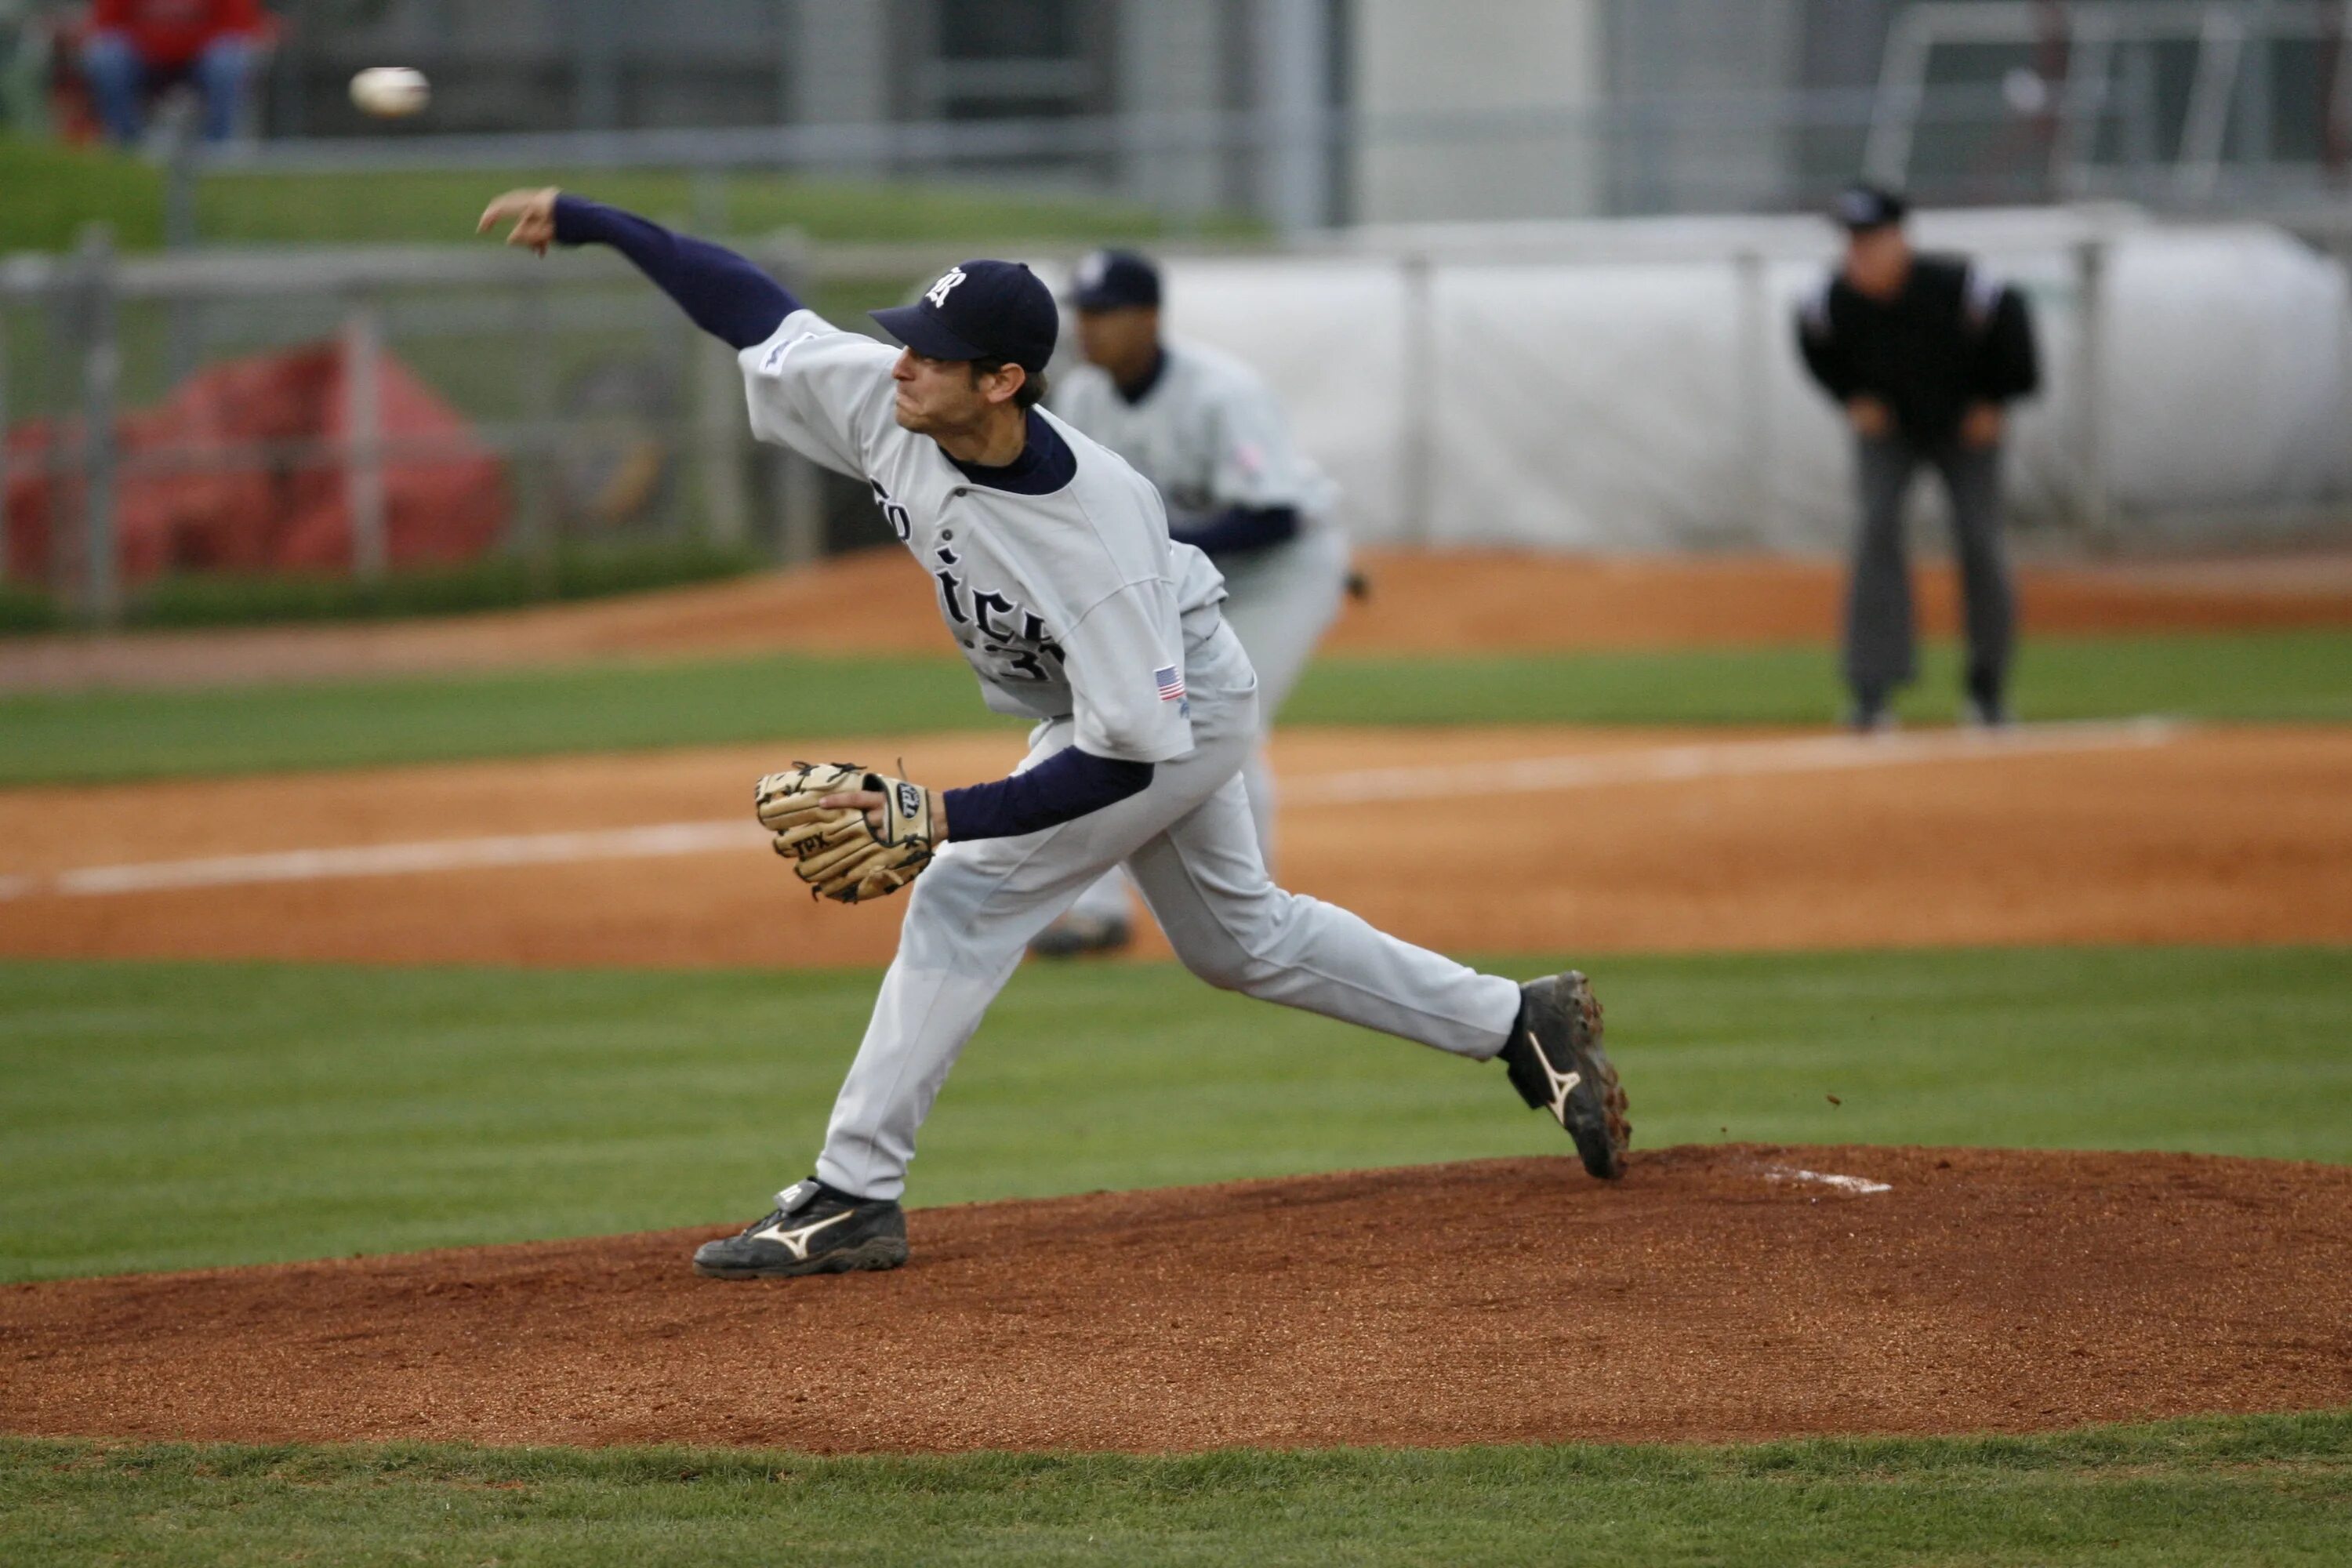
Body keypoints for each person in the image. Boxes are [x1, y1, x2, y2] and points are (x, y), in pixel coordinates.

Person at [475, 187, 1631, 1279]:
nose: (904, 361)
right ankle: (1517, 1019)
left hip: (1171, 706)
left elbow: (1131, 752)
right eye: (910, 339)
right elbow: (751, 307)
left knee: (966, 892)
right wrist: (595, 223)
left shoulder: (1095, 536)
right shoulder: (895, 401)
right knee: (1240, 942)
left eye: (932, 351)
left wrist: (940, 818)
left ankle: (851, 1194)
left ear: (1004, 382)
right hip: (1115, 704)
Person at [1034, 248, 1352, 958]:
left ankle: (1257, 917)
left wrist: (1148, 545)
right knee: (1118, 715)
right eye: (1082, 313)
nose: (1089, 328)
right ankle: (1097, 910)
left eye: (1105, 312)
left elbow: (1272, 515)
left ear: (1150, 318)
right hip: (1181, 579)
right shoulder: (1082, 397)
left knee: (1228, 723)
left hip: (1279, 573)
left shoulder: (1221, 393)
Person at [1796, 183, 2041, 730]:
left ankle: (1988, 688)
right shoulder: (1833, 300)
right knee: (1874, 531)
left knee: (1980, 538)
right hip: (1891, 429)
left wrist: (1995, 399)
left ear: (1899, 239)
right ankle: (1870, 690)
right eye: (1852, 242)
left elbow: (2013, 322)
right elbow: (1814, 344)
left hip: (1966, 426)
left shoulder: (1956, 286)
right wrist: (1850, 397)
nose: (1860, 252)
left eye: (1871, 240)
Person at [80, 0, 264, 146]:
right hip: (143, 61)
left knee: (228, 61)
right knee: (106, 58)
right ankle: (126, 144)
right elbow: (105, 28)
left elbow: (239, 31)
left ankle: (219, 149)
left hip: (202, 63)